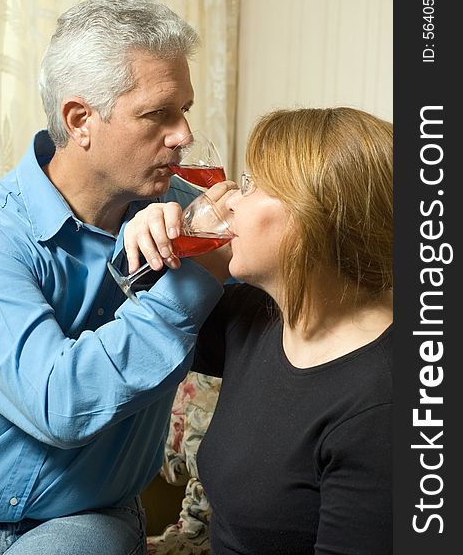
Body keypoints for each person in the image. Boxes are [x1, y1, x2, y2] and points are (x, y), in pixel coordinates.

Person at [0, 0, 230, 555]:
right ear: (80, 121)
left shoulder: (196, 225)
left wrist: (208, 251)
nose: (183, 135)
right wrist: (188, 283)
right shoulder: (0, 233)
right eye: (158, 114)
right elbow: (59, 403)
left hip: (85, 520)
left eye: (185, 109)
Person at [132, 107, 393, 554]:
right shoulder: (256, 318)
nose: (228, 198)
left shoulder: (381, 409)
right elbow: (138, 326)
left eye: (251, 185)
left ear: (313, 219)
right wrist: (145, 236)